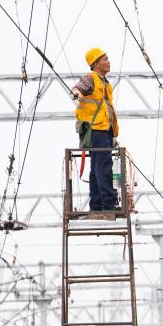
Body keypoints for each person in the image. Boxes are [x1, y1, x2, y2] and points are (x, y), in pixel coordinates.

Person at [71, 48, 120, 212]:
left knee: (96, 168)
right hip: (96, 129)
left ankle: (97, 204)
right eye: (105, 59)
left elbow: (108, 109)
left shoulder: (105, 83)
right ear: (96, 63)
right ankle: (108, 204)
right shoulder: (90, 78)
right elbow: (78, 88)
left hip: (103, 130)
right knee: (104, 166)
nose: (108, 61)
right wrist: (76, 93)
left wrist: (112, 134)